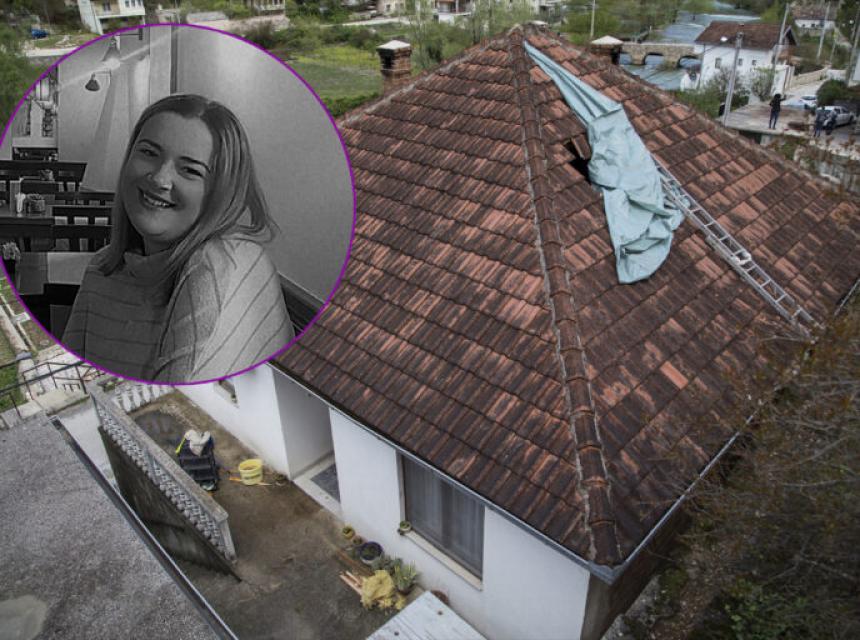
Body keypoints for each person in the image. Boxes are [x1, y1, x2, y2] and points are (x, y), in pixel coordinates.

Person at [63, 94, 293, 382]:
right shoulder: (102, 269)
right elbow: (70, 384)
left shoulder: (221, 265)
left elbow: (177, 404)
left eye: (190, 170)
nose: (159, 179)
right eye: (149, 152)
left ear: (221, 191)